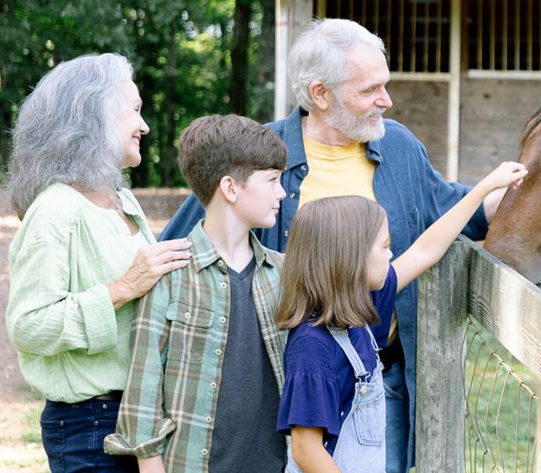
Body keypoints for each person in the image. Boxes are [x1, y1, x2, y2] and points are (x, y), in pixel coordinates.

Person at [157, 19, 503, 470]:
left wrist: (527, 191)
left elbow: (449, 211)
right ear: (320, 94)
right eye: (370, 89)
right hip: (285, 379)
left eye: (386, 84)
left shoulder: (397, 145)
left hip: (374, 372)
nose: (387, 100)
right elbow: (185, 246)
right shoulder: (259, 153)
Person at [4, 53, 193, 473]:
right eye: (136, 111)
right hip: (89, 426)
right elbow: (28, 325)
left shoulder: (121, 200)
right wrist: (123, 288)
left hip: (138, 415)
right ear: (97, 117)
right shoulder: (55, 210)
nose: (144, 125)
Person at [276, 162, 526, 473]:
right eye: (384, 247)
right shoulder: (312, 348)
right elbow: (306, 449)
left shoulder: (361, 310)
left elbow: (426, 249)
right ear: (350, 260)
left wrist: (483, 189)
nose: (391, 254)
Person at [103, 115, 290, 472]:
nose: (281, 192)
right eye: (272, 180)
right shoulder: (169, 273)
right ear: (231, 188)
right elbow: (143, 391)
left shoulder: (282, 273)